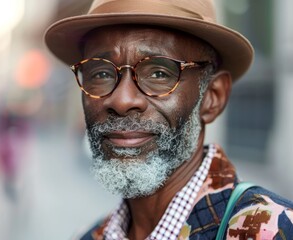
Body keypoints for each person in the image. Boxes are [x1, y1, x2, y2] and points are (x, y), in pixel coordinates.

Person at [44, 0, 293, 239]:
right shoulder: (88, 237)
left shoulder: (273, 230)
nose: (121, 101)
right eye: (101, 73)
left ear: (212, 98)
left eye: (159, 73)